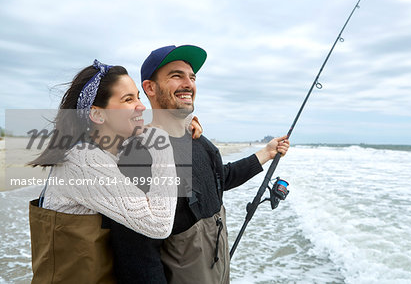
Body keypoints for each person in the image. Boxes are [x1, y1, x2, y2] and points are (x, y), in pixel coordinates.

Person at [28, 60, 202, 283]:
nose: (141, 106)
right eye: (128, 99)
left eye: (138, 96)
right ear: (98, 115)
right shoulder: (83, 160)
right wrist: (162, 145)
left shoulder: (110, 151)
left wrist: (184, 123)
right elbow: (159, 224)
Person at [137, 45, 289, 283]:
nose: (188, 84)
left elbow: (221, 178)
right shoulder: (142, 154)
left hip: (217, 268)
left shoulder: (199, 140)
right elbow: (138, 255)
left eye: (192, 77)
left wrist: (266, 153)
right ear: (150, 87)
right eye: (176, 76)